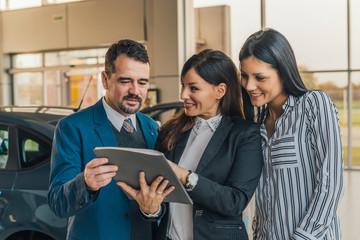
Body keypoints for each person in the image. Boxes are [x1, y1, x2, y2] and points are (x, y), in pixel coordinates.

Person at [48, 39, 173, 240]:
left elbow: (160, 198)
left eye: (142, 82)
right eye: (125, 81)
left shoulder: (152, 127)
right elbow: (57, 203)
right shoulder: (72, 127)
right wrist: (85, 183)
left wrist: (153, 210)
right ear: (105, 80)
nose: (135, 91)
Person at [239, 28, 344, 239]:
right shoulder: (257, 126)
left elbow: (330, 183)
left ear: (283, 72)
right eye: (244, 76)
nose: (249, 85)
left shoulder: (313, 105)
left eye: (260, 77)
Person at [153, 49, 263, 240]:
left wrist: (185, 176)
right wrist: (151, 209)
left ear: (220, 90)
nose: (183, 94)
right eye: (183, 86)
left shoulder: (245, 134)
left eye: (193, 88)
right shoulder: (171, 130)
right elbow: (160, 197)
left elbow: (234, 201)